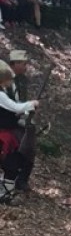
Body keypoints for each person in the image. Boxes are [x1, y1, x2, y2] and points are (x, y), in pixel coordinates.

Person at [0, 60, 38, 203]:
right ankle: (6, 196)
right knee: (11, 165)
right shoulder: (0, 94)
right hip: (3, 136)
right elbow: (15, 107)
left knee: (11, 165)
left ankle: (5, 193)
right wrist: (32, 104)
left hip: (5, 133)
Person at [6, 50, 36, 193]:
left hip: (17, 119)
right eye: (23, 64)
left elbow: (22, 101)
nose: (25, 67)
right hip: (7, 121)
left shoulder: (21, 80)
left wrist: (27, 113)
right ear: (15, 64)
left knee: (29, 147)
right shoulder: (5, 80)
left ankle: (22, 179)